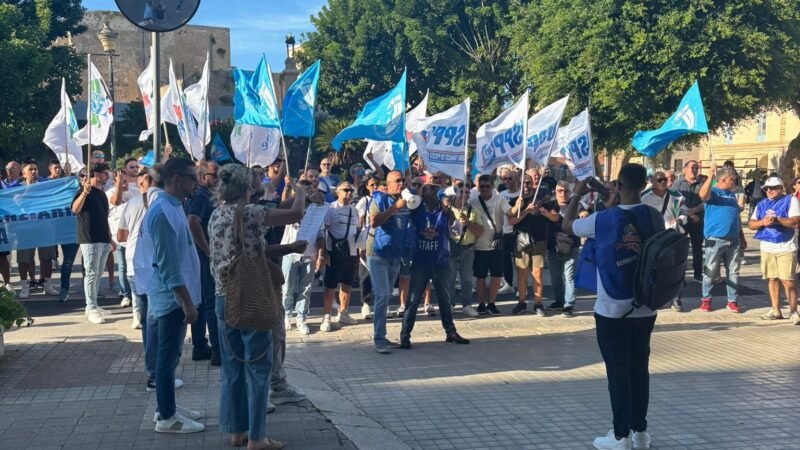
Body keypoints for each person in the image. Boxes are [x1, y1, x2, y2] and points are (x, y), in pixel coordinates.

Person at [562, 163, 664, 450]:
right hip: (646, 305)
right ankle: (640, 433)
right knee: (639, 369)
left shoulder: (602, 219)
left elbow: (567, 225)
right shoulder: (654, 216)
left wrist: (577, 195)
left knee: (618, 372)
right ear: (643, 185)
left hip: (611, 308)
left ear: (618, 185)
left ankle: (620, 436)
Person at [209, 163, 306, 449]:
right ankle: (257, 437)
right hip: (250, 295)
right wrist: (300, 191)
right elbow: (295, 214)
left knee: (233, 367)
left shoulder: (217, 214)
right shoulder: (250, 212)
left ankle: (236, 431)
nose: (259, 180)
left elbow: (257, 243)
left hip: (222, 295)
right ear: (246, 186)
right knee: (258, 367)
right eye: (255, 178)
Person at [143, 158, 204, 434]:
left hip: (179, 295)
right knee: (167, 359)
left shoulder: (175, 206)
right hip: (171, 299)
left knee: (172, 355)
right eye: (192, 177)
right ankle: (166, 417)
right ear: (176, 179)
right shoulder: (162, 212)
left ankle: (166, 407)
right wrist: (186, 302)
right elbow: (167, 265)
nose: (196, 181)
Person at [399, 183, 470, 349]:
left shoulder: (444, 210)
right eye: (426, 190)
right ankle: (405, 335)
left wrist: (450, 210)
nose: (430, 193)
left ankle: (450, 332)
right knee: (413, 300)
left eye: (433, 190)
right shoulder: (416, 208)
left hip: (440, 261)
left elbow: (455, 230)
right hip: (420, 262)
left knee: (445, 299)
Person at [117, 167, 161, 387]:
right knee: (155, 322)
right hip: (152, 266)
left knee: (147, 322)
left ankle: (152, 371)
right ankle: (156, 374)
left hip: (134, 265)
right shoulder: (164, 202)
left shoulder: (131, 203)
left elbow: (120, 235)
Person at [367, 170, 411, 353]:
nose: (401, 184)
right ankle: (378, 339)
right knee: (382, 295)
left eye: (403, 181)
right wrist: (394, 208)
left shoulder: (406, 200)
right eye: (397, 181)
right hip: (377, 253)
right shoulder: (379, 200)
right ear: (388, 183)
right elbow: (374, 222)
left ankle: (383, 335)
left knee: (387, 296)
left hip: (394, 254)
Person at [747, 177, 800, 324]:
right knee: (772, 278)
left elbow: (795, 221)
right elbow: (751, 224)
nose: (769, 191)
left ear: (781, 188)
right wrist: (762, 222)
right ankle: (775, 309)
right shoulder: (761, 204)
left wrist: (778, 220)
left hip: (786, 245)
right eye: (767, 188)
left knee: (788, 280)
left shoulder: (791, 200)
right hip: (767, 245)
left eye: (773, 187)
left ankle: (794, 311)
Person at [184, 160, 221, 366]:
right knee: (210, 303)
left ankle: (200, 345)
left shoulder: (206, 195)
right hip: (203, 257)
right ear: (203, 176)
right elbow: (192, 221)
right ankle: (216, 350)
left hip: (200, 256)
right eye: (215, 176)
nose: (218, 180)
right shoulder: (200, 196)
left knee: (202, 301)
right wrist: (207, 250)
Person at [281, 179, 326, 335]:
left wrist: (320, 255)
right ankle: (286, 315)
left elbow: (321, 234)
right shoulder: (293, 206)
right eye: (303, 188)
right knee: (287, 287)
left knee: (306, 289)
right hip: (290, 252)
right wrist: (291, 190)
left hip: (309, 253)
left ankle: (301, 317)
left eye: (308, 188)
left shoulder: (317, 210)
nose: (306, 191)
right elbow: (282, 205)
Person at [698, 164, 745, 313]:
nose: (735, 183)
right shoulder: (714, 192)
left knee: (733, 272)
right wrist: (711, 176)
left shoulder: (732, 195)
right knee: (710, 271)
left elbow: (735, 217)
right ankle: (706, 299)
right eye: (733, 180)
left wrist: (741, 236)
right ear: (724, 179)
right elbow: (702, 195)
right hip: (716, 239)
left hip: (733, 240)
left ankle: (732, 300)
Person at [71, 163, 113, 325]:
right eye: (104, 173)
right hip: (89, 238)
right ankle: (90, 306)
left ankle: (93, 305)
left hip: (103, 238)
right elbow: (74, 209)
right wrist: (84, 193)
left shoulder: (101, 194)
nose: (107, 176)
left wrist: (110, 238)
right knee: (91, 273)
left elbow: (104, 217)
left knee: (97, 274)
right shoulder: (83, 192)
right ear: (95, 174)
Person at [642, 171, 689, 311]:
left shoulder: (676, 196)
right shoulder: (645, 197)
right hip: (654, 237)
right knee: (655, 268)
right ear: (653, 182)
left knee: (677, 267)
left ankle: (676, 298)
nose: (663, 182)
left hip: (673, 236)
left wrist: (680, 219)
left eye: (665, 179)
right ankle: (658, 297)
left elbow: (685, 212)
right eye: (660, 180)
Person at [508, 174, 554, 316]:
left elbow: (552, 216)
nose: (526, 186)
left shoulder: (542, 199)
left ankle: (538, 303)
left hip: (539, 240)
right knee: (522, 274)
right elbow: (511, 221)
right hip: (521, 240)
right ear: (518, 184)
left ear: (532, 184)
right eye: (522, 183)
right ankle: (521, 302)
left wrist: (545, 212)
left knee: (537, 273)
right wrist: (526, 210)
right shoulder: (515, 201)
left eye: (528, 183)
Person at [469, 174, 511, 316]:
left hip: (496, 245)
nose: (485, 189)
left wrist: (518, 206)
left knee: (496, 276)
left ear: (492, 186)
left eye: (488, 186)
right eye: (482, 186)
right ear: (478, 187)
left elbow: (510, 212)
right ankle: (481, 303)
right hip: (479, 245)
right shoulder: (472, 201)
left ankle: (492, 303)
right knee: (480, 277)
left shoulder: (500, 199)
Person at [320, 182, 360, 331]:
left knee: (347, 283)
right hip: (334, 252)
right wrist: (324, 253)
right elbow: (324, 232)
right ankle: (326, 316)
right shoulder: (331, 209)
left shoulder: (354, 211)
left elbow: (357, 230)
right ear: (338, 192)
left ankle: (343, 312)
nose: (349, 193)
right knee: (330, 285)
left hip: (351, 251)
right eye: (345, 190)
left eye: (351, 190)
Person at [16, 163, 60, 298]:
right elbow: (17, 203)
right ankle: (25, 286)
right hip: (25, 229)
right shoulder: (17, 188)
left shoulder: (44, 186)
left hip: (43, 227)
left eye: (35, 169)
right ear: (24, 173)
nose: (34, 171)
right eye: (30, 170)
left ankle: (47, 284)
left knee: (46, 257)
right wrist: (29, 188)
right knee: (24, 259)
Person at [546, 181, 581, 317]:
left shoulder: (575, 204)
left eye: (565, 191)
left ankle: (569, 305)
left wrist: (583, 213)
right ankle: (559, 300)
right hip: (554, 245)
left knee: (569, 276)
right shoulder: (550, 205)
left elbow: (583, 211)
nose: (563, 194)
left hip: (571, 245)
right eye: (560, 191)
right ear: (555, 192)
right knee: (555, 277)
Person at [447, 184, 482, 318]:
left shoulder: (473, 210)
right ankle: (449, 303)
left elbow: (480, 231)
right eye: (461, 192)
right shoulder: (448, 210)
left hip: (467, 247)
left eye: (467, 192)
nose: (464, 195)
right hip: (451, 246)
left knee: (466, 278)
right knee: (449, 278)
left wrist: (468, 223)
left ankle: (467, 305)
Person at [107, 164, 136, 308]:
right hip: (118, 236)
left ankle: (136, 293)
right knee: (123, 266)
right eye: (121, 181)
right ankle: (126, 294)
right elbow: (116, 201)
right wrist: (119, 185)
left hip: (134, 236)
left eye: (125, 180)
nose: (124, 184)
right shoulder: (110, 192)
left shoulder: (135, 192)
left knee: (134, 265)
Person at [673, 160, 704, 281]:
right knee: (680, 248)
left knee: (697, 248)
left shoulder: (701, 184)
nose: (694, 170)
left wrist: (694, 210)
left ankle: (698, 274)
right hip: (682, 220)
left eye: (696, 168)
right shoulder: (678, 183)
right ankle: (679, 274)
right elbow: (675, 201)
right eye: (692, 167)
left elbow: (705, 201)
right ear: (685, 169)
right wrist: (689, 214)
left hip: (697, 221)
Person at [355, 175, 380, 319]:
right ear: (367, 187)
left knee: (380, 271)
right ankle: (365, 303)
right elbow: (359, 222)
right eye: (372, 184)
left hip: (381, 237)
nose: (375, 187)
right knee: (365, 272)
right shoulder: (364, 201)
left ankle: (380, 302)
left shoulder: (384, 199)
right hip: (367, 237)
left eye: (377, 184)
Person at [499, 170, 521, 295]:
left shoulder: (521, 194)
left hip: (517, 232)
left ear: (517, 180)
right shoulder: (501, 194)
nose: (507, 181)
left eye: (510, 179)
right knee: (505, 259)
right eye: (504, 179)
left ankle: (520, 285)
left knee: (519, 260)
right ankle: (509, 283)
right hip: (504, 231)